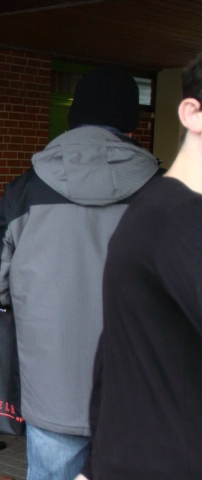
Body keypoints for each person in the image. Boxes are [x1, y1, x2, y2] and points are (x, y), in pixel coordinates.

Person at [0, 65, 161, 480]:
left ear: (73, 117)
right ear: (132, 123)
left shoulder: (24, 190)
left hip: (51, 386)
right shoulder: (166, 192)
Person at [78, 53, 202, 480]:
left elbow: (116, 354)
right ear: (193, 114)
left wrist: (92, 466)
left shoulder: (155, 208)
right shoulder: (178, 219)